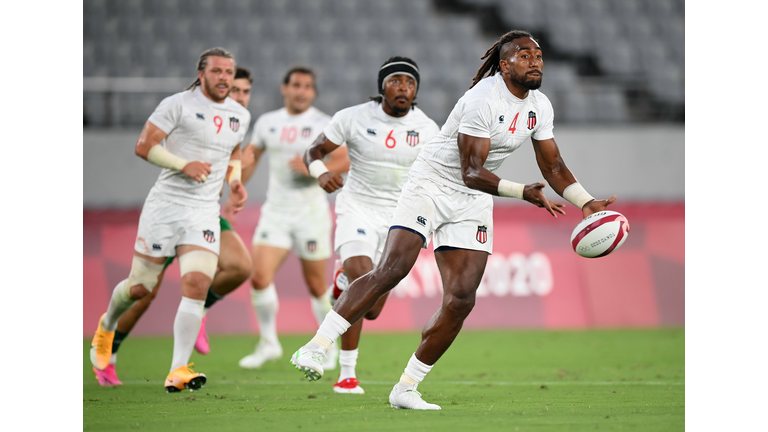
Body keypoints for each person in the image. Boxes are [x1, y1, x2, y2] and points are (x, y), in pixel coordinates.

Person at [290, 30, 618, 410]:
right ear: (505, 63)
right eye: (524, 55)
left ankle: (406, 388)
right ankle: (315, 347)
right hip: (433, 184)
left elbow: (554, 164)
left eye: (539, 55)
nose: (535, 61)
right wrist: (521, 192)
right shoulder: (481, 99)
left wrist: (586, 201)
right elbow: (471, 171)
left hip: (474, 199)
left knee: (461, 299)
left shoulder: (539, 106)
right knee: (393, 269)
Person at [89, 47, 251, 393]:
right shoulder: (177, 104)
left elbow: (233, 151)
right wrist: (183, 164)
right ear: (201, 72)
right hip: (166, 207)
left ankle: (178, 369)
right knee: (139, 287)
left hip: (204, 211)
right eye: (217, 71)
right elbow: (144, 145)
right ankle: (108, 324)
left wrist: (234, 182)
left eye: (229, 72)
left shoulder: (239, 114)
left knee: (195, 286)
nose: (224, 77)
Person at [299, 57, 439, 394]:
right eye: (395, 81)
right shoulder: (353, 117)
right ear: (382, 86)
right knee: (362, 279)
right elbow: (313, 151)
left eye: (409, 82)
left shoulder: (428, 129)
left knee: (372, 308)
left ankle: (342, 282)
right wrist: (322, 173)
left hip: (400, 220)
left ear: (416, 89)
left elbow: (436, 178)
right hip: (357, 209)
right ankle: (347, 374)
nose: (403, 87)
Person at [236, 66, 350, 371]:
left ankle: (329, 348)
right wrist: (236, 186)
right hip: (275, 213)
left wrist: (315, 166)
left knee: (316, 287)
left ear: (313, 92)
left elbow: (346, 158)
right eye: (296, 85)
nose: (301, 91)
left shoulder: (324, 123)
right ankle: (268, 343)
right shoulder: (267, 123)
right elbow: (251, 156)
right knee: (259, 277)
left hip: (311, 216)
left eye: (307, 86)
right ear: (284, 89)